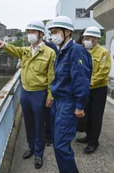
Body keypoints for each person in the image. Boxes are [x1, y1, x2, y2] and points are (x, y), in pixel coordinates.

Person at [0, 20, 56, 169]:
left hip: (39, 93)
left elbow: (52, 77)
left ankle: (39, 154)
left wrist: (50, 96)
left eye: (33, 32)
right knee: (28, 122)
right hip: (25, 92)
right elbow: (15, 51)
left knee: (39, 124)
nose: (30, 35)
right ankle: (31, 147)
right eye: (28, 32)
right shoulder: (26, 51)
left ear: (41, 34)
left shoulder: (50, 53)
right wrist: (4, 46)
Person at [48, 16, 92, 173]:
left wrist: (80, 105)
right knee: (59, 143)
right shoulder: (62, 51)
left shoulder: (76, 50)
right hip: (59, 102)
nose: (53, 35)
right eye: (52, 32)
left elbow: (81, 79)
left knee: (61, 145)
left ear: (67, 32)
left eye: (56, 31)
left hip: (68, 103)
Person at [76, 26, 111, 154]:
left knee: (96, 116)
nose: (85, 40)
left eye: (88, 38)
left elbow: (103, 72)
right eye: (84, 38)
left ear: (95, 39)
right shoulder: (84, 52)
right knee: (86, 114)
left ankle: (93, 142)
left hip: (98, 90)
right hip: (86, 89)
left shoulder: (103, 53)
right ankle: (88, 136)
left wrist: (88, 83)